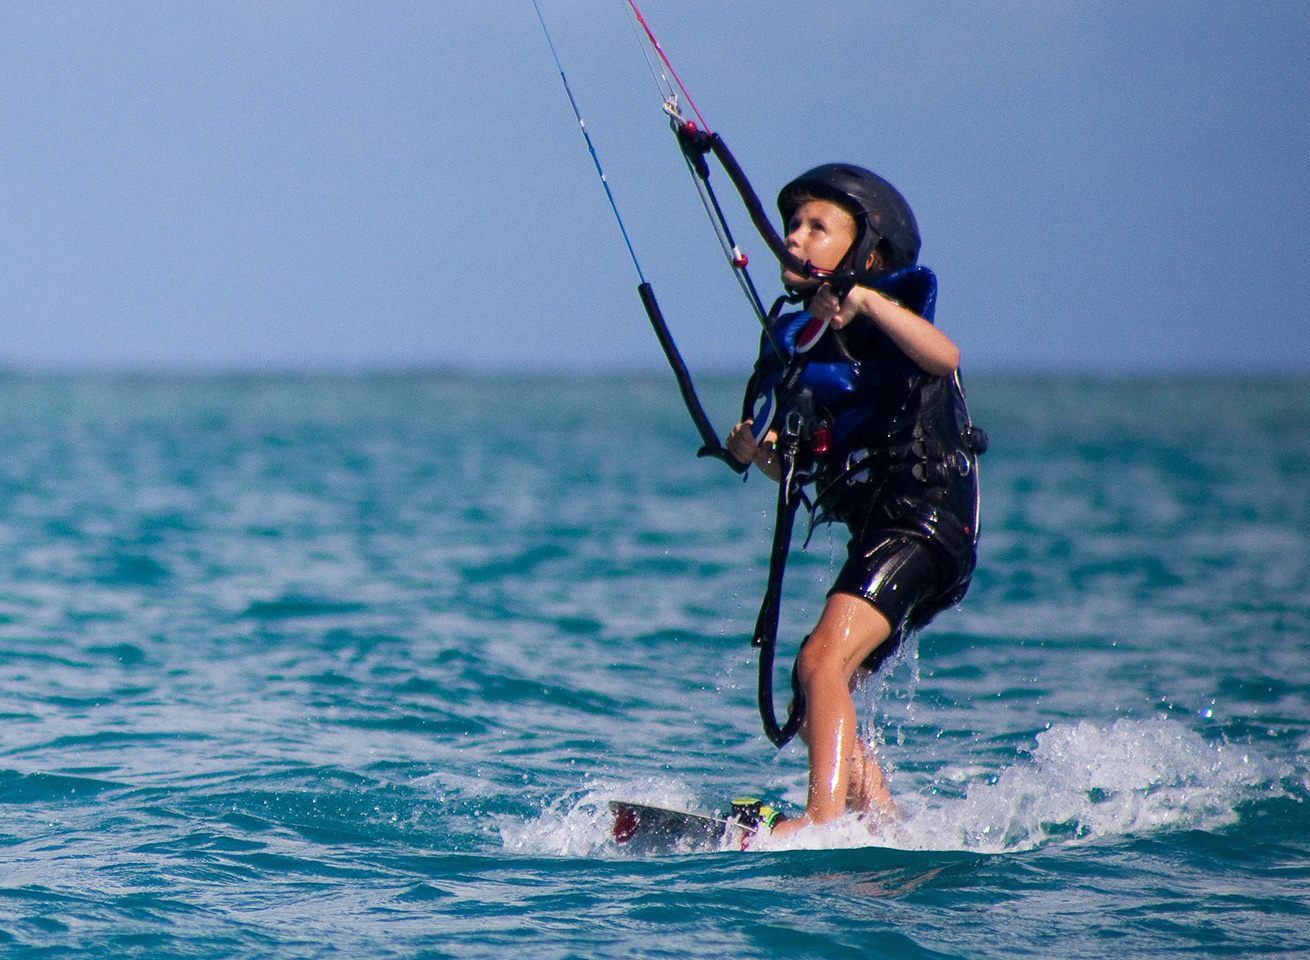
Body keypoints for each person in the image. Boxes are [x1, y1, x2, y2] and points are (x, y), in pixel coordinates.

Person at [724, 164, 983, 837]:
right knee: (815, 697)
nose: (796, 239)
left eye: (818, 228)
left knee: (821, 663)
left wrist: (866, 303)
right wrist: (761, 452)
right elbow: (799, 460)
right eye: (793, 226)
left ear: (867, 256)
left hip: (925, 524)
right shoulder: (801, 345)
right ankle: (885, 823)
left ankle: (820, 821)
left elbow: (944, 355)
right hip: (883, 534)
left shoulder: (888, 316)